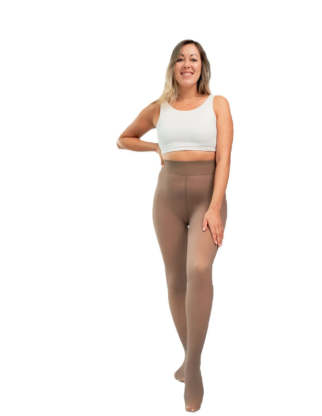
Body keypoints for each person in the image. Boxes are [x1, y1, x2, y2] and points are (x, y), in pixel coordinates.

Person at [117, 39, 233, 412]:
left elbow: (225, 159)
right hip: (167, 198)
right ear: (172, 66)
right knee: (175, 280)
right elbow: (123, 139)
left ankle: (192, 369)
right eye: (180, 58)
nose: (187, 64)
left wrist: (214, 207)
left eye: (193, 58)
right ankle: (189, 358)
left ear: (202, 67)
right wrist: (155, 148)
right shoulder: (159, 108)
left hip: (206, 198)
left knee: (198, 268)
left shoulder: (218, 104)